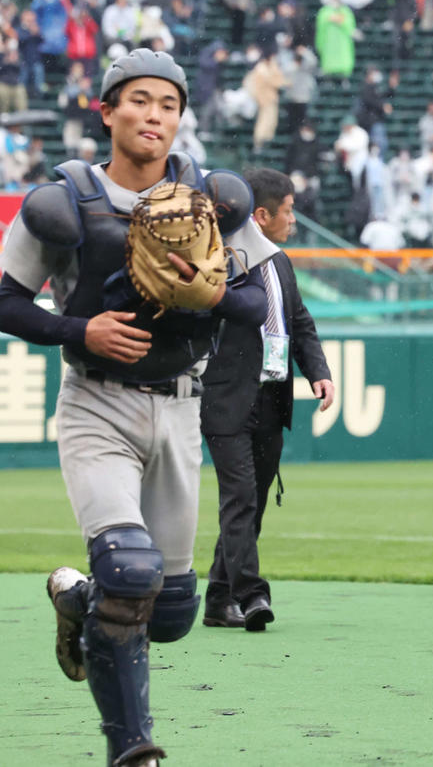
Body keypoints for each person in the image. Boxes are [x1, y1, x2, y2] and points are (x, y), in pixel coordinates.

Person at [0, 49, 276, 765]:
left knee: (174, 612)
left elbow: (257, 301)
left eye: (169, 105)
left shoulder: (215, 197)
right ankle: (135, 751)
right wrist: (75, 329)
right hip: (97, 404)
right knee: (129, 572)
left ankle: (78, 600)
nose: (155, 115)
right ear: (106, 110)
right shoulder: (61, 201)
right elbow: (5, 299)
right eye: (139, 101)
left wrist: (212, 294)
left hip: (181, 406)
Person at [200, 167, 333, 631]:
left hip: (272, 395)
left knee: (251, 502)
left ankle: (218, 598)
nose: (293, 220)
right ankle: (252, 595)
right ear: (260, 214)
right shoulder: (217, 256)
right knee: (239, 498)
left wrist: (319, 373)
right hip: (226, 396)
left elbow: (301, 322)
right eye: (289, 211)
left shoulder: (279, 260)